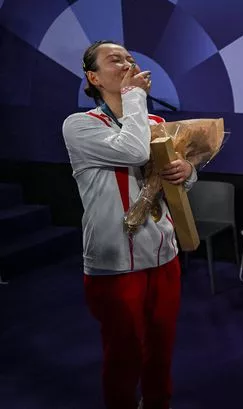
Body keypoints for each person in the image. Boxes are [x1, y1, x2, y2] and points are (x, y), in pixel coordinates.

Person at [62, 40, 196, 409]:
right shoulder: (79, 126)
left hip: (164, 256)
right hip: (115, 263)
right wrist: (135, 95)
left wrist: (187, 171)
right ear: (93, 77)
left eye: (129, 59)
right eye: (114, 60)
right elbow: (134, 150)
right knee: (124, 354)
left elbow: (177, 180)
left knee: (161, 348)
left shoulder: (155, 124)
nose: (126, 63)